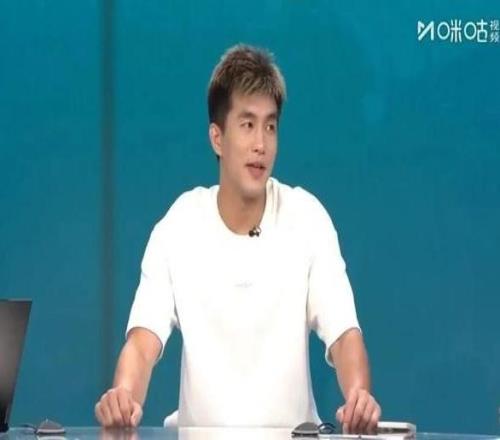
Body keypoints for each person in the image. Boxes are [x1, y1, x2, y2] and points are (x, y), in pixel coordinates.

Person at [95, 44, 381, 433]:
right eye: (247, 125)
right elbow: (143, 343)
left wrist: (359, 395)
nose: (261, 144)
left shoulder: (306, 217)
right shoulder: (180, 225)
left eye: (270, 126)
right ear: (217, 137)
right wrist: (124, 395)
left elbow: (345, 335)